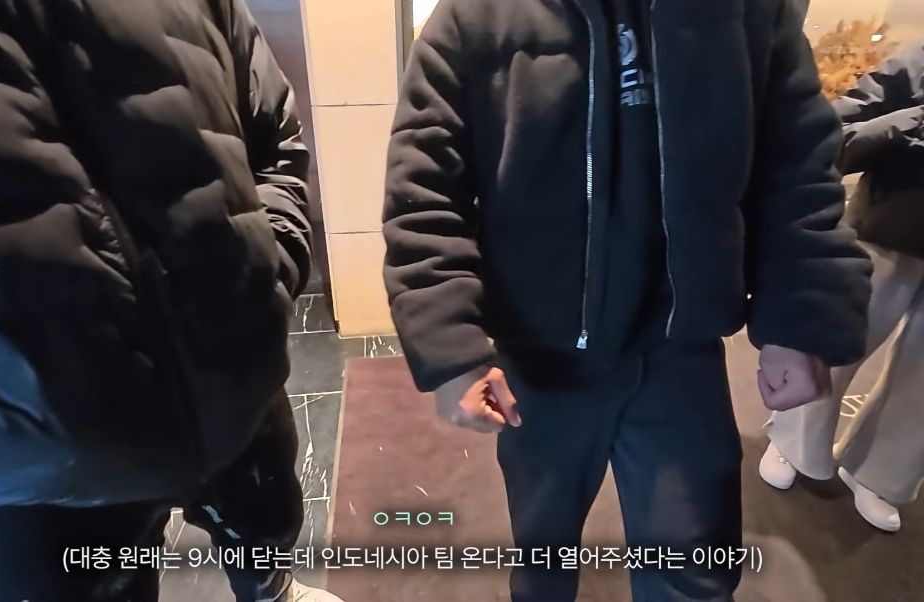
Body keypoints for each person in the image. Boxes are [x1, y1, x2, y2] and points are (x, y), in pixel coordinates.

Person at [383, 0, 871, 600]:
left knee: (695, 572)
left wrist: (799, 316)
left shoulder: (748, 10)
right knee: (541, 558)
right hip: (540, 356)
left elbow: (797, 165)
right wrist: (449, 345)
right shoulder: (475, 14)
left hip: (680, 347)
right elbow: (424, 190)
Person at [0, 2, 340, 601]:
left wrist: (263, 275)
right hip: (5, 467)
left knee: (264, 545)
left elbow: (269, 131)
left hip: (230, 379)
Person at [760, 42, 924, 533]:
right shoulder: (919, 59)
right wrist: (913, 122)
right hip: (892, 223)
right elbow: (837, 128)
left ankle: (881, 473)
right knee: (840, 341)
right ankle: (793, 441)